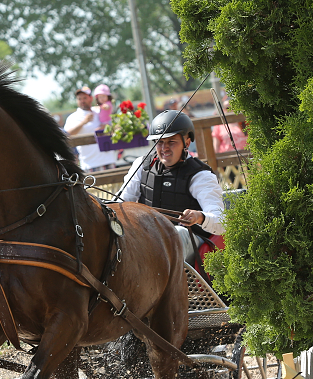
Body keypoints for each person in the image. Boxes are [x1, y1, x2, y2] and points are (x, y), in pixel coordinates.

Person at [119, 110, 225, 277]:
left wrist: (199, 217)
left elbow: (221, 222)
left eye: (171, 142)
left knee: (177, 233)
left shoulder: (200, 176)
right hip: (147, 239)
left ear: (187, 142)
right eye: (159, 143)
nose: (164, 148)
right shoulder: (141, 165)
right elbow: (121, 202)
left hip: (190, 243)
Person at [63, 86, 117, 173]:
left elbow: (110, 121)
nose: (82, 101)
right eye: (79, 98)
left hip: (109, 160)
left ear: (91, 98)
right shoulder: (73, 117)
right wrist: (84, 122)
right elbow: (67, 134)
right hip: (90, 163)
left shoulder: (99, 111)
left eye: (85, 98)